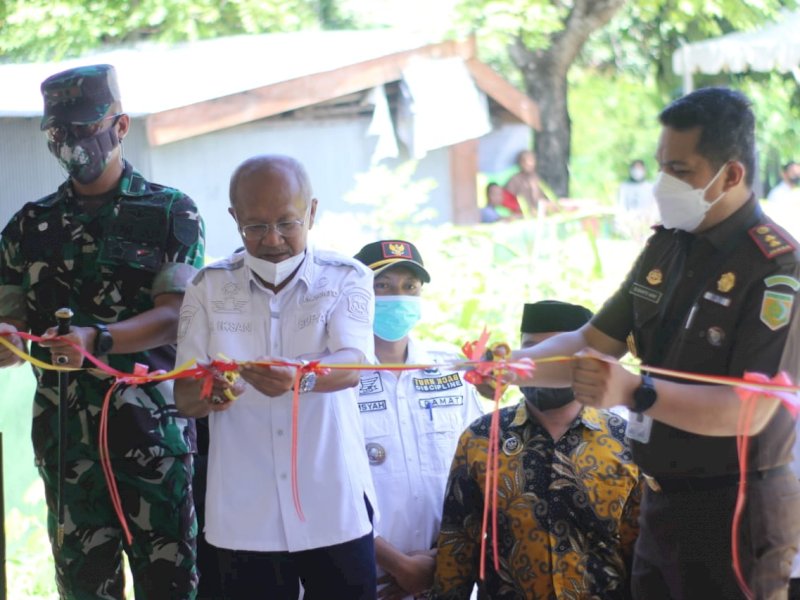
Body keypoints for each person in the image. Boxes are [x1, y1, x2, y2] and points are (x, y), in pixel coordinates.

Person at [507, 87, 800, 599]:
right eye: (662, 166)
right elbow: (591, 342)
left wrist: (635, 392)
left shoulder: (777, 269)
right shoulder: (666, 246)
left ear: (731, 175)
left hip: (735, 512)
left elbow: (749, 412)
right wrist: (513, 367)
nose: (663, 182)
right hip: (660, 503)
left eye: (680, 170)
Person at [0, 64, 204, 598]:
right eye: (58, 130)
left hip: (152, 443)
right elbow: (13, 328)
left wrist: (99, 340)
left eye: (86, 126)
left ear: (120, 126)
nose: (72, 141)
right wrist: (9, 341)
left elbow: (175, 316)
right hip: (68, 449)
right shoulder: (27, 227)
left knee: (171, 587)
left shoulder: (169, 212)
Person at [174, 154, 378, 600]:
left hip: (332, 503)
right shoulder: (207, 286)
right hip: (244, 515)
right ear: (234, 219)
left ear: (312, 212)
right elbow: (184, 395)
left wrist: (301, 378)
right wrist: (210, 392)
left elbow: (355, 364)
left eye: (287, 223)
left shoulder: (346, 277)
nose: (272, 239)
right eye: (255, 226)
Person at [431, 300, 641, 599]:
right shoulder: (482, 438)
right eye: (531, 351)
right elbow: (458, 543)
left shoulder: (625, 441)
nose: (539, 365)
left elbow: (644, 550)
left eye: (554, 354)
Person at [353, 239, 485, 599]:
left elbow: (479, 471)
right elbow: (324, 487)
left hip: (447, 573)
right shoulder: (336, 376)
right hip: (365, 575)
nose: (398, 297)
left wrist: (440, 560)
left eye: (409, 286)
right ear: (357, 294)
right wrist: (399, 565)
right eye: (383, 285)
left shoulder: (451, 370)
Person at [616, 159, 658, 243]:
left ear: (644, 170)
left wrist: (650, 219)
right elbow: (621, 206)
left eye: (640, 168)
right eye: (635, 168)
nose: (637, 171)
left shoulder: (650, 187)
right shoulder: (624, 187)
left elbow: (654, 207)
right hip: (629, 224)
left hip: (646, 223)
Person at [504, 150, 552, 217]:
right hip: (522, 216)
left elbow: (544, 198)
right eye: (525, 161)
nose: (529, 163)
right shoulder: (514, 180)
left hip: (540, 214)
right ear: (520, 163)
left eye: (531, 160)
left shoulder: (536, 178)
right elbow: (507, 200)